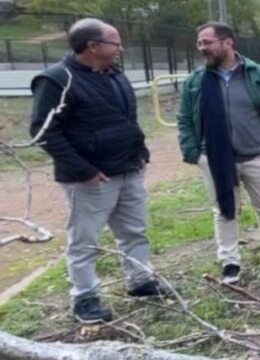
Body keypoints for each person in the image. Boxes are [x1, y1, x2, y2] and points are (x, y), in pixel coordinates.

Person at [29, 18, 164, 324]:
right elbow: (45, 131)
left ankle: (140, 281)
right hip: (91, 179)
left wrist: (140, 152)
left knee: (134, 231)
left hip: (129, 169)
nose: (121, 49)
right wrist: (84, 170)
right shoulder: (56, 80)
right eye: (116, 43)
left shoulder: (115, 75)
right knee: (85, 240)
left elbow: (128, 119)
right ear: (93, 46)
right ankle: (85, 297)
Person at [177, 22, 260, 284]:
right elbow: (185, 119)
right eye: (200, 43)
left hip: (258, 155)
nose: (202, 48)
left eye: (207, 42)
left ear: (228, 43)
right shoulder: (196, 82)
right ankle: (230, 262)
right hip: (214, 158)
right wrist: (193, 153)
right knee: (224, 210)